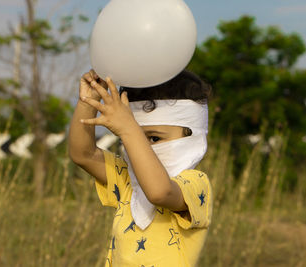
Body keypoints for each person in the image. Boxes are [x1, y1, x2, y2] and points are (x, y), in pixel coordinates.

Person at [68, 69, 213, 267]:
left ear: (192, 137)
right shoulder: (128, 179)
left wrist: (129, 129)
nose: (139, 146)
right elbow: (82, 154)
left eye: (154, 138)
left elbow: (160, 192)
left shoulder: (196, 183)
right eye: (135, 138)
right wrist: (88, 100)